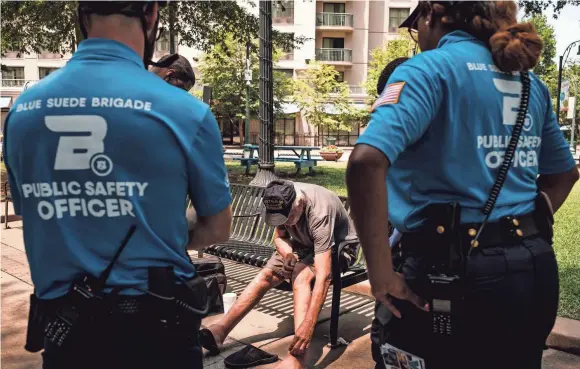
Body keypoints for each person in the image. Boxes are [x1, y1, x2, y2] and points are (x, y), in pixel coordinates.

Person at [346, 2, 579, 369]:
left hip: (449, 272)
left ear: (434, 15)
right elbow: (564, 175)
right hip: (533, 270)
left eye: (415, 24)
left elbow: (365, 163)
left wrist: (380, 275)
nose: (417, 34)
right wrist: (529, 221)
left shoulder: (427, 70)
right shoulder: (530, 82)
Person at [1, 2, 232, 369]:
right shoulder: (186, 112)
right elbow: (217, 227)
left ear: (81, 13)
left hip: (67, 329)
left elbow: (35, 213)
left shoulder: (23, 111)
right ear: (152, 14)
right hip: (160, 332)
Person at [200, 179, 361, 369]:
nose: (285, 223)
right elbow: (280, 238)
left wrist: (308, 325)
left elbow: (324, 275)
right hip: (303, 247)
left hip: (339, 250)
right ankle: (220, 331)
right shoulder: (279, 200)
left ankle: (297, 359)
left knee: (301, 276)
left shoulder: (319, 212)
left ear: (299, 203)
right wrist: (288, 255)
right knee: (265, 276)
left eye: (288, 217)